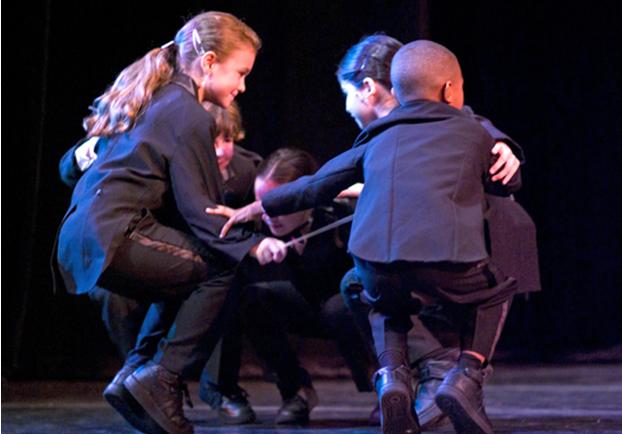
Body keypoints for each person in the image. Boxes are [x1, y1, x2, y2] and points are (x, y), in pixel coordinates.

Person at [214, 40, 521, 434]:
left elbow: (315, 185)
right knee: (497, 289)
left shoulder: (375, 137)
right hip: (448, 262)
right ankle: (466, 375)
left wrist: (259, 206)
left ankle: (392, 377)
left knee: (380, 297)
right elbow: (507, 181)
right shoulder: (468, 131)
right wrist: (500, 165)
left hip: (379, 265)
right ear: (449, 91)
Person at [55, 11, 287, 434]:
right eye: (241, 73)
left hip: (79, 234)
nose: (242, 86)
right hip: (114, 232)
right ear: (210, 62)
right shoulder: (188, 113)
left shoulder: (150, 98)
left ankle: (138, 371)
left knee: (185, 269)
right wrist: (251, 245)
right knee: (223, 267)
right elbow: (201, 211)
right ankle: (160, 379)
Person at [334, 34, 539, 430]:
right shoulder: (384, 134)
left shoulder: (439, 113)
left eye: (346, 94)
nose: (345, 106)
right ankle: (415, 375)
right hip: (423, 249)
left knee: (370, 285)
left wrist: (503, 145)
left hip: (472, 244)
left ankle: (438, 373)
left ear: (369, 88)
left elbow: (477, 125)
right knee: (353, 288)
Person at [202, 148, 377, 425]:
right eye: (262, 203)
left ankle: (386, 391)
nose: (269, 213)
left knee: (340, 305)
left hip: (351, 310)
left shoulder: (340, 214)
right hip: (309, 308)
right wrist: (254, 244)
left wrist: (341, 191)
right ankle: (295, 391)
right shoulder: (260, 224)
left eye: (278, 202)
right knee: (252, 299)